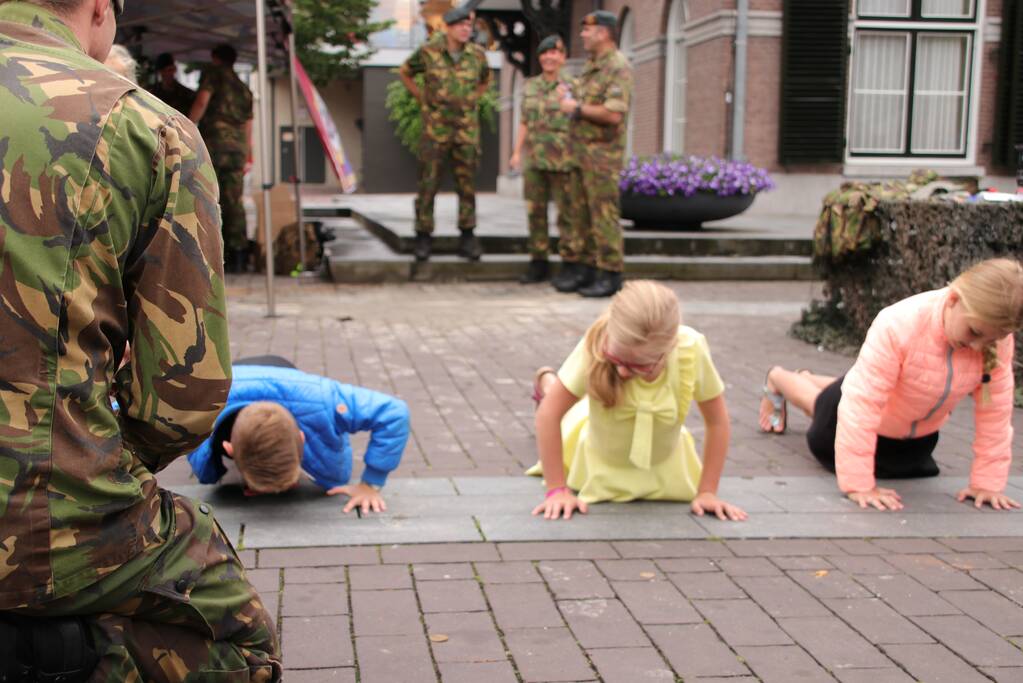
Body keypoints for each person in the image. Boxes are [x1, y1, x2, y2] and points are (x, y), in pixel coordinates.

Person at [0, 0, 280, 680]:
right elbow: (183, 393)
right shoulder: (143, 126)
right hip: (46, 518)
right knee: (242, 649)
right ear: (99, 9)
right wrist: (92, 461)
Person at [760, 258, 1023, 512]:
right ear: (953, 300)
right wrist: (858, 485)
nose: (979, 346)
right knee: (821, 403)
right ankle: (779, 378)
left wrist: (987, 484)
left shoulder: (994, 338)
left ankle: (822, 379)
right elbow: (861, 406)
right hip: (840, 425)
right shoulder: (900, 323)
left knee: (859, 387)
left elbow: (995, 414)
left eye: (991, 340)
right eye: (974, 333)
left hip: (912, 440)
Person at [528, 280, 747, 521]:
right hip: (594, 448)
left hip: (664, 465)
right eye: (616, 359)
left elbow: (717, 422)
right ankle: (549, 384)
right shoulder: (597, 342)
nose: (622, 372)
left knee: (571, 399)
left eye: (639, 366)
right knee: (562, 405)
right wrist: (557, 490)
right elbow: (549, 415)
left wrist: (707, 491)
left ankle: (552, 385)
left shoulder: (690, 348)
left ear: (669, 347)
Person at [187, 356, 410, 514]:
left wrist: (371, 484)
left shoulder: (323, 400)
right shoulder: (205, 402)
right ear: (228, 448)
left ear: (303, 438)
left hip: (286, 374)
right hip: (232, 377)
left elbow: (394, 413)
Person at [399, 3, 491, 262]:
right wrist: (422, 99)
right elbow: (405, 72)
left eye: (469, 25)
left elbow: (485, 79)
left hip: (466, 131)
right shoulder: (429, 52)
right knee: (428, 183)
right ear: (448, 27)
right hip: (435, 130)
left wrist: (473, 98)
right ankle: (423, 236)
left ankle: (468, 236)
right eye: (461, 25)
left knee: (467, 185)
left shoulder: (477, 55)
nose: (466, 29)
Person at [551, 10, 633, 298]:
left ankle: (611, 274)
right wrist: (570, 98)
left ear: (604, 32)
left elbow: (612, 114)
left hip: (602, 158)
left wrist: (575, 108)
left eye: (588, 29)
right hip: (580, 154)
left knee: (603, 215)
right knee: (581, 215)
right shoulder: (591, 66)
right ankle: (586, 269)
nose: (583, 34)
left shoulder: (617, 66)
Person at [509, 35, 577, 285]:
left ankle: (570, 263)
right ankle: (539, 261)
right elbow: (525, 121)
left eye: (555, 53)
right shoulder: (530, 86)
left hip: (564, 160)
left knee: (566, 214)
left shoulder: (574, 85)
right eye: (545, 53)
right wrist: (516, 152)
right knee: (535, 212)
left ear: (563, 57)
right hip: (535, 160)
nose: (549, 57)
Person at [190, 42, 254, 274]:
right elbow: (248, 125)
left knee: (208, 197)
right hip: (237, 149)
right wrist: (248, 154)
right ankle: (239, 254)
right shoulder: (243, 89)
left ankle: (213, 254)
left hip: (215, 144)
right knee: (234, 200)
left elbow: (202, 101)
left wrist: (187, 124)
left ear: (215, 58)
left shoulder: (213, 75)